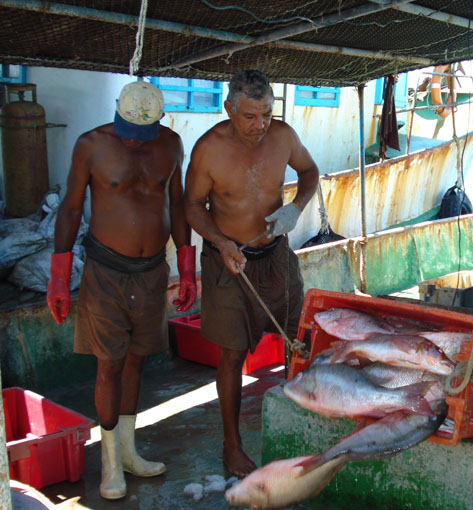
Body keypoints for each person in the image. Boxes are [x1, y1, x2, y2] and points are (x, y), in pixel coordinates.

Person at [46, 81, 197, 499]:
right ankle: (110, 464)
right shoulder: (90, 145)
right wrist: (59, 277)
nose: (133, 140)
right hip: (106, 272)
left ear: (161, 120)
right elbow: (72, 207)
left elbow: (177, 203)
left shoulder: (170, 145)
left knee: (136, 362)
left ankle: (129, 453)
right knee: (108, 364)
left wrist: (186, 267)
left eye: (142, 132)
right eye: (127, 128)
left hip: (151, 272)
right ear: (117, 112)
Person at [184, 70, 319, 477]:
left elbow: (310, 172)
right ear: (229, 109)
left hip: (275, 255)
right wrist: (221, 242)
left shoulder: (283, 136)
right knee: (231, 353)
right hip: (229, 262)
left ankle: (309, 425)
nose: (260, 125)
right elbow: (192, 205)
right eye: (249, 116)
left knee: (302, 338)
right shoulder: (209, 149)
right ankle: (232, 445)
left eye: (267, 114)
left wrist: (296, 207)